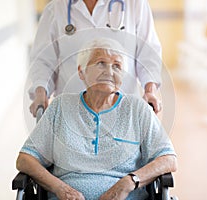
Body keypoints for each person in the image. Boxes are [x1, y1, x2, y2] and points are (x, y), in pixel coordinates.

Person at [17, 38, 177, 200]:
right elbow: (25, 159)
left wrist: (127, 183)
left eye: (117, 66)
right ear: (81, 71)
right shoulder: (61, 106)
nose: (109, 71)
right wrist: (60, 188)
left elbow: (168, 159)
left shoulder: (137, 109)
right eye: (101, 63)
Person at [28, 0, 163, 117]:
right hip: (71, 113)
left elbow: (148, 54)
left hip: (123, 111)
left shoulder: (135, 4)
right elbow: (43, 60)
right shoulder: (56, 8)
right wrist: (41, 92)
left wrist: (150, 90)